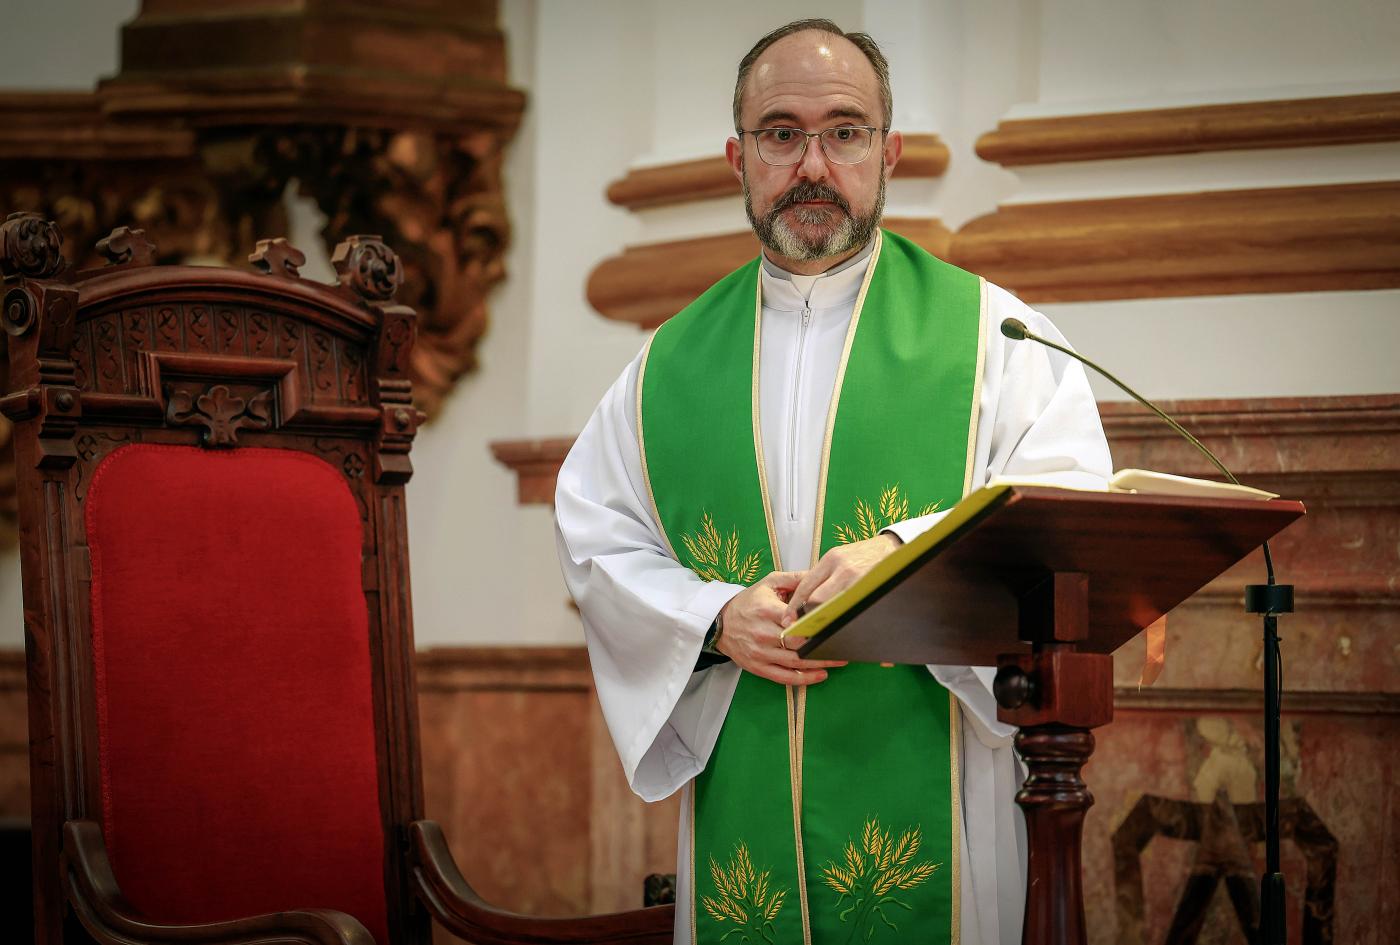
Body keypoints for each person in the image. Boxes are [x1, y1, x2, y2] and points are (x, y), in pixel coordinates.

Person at [555, 18, 1111, 945]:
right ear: (737, 157)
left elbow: (1065, 504)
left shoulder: (995, 338)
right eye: (781, 134)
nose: (812, 164)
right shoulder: (665, 367)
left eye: (845, 132)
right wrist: (713, 616)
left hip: (942, 782)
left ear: (888, 153)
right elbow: (596, 538)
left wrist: (901, 557)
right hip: (746, 778)